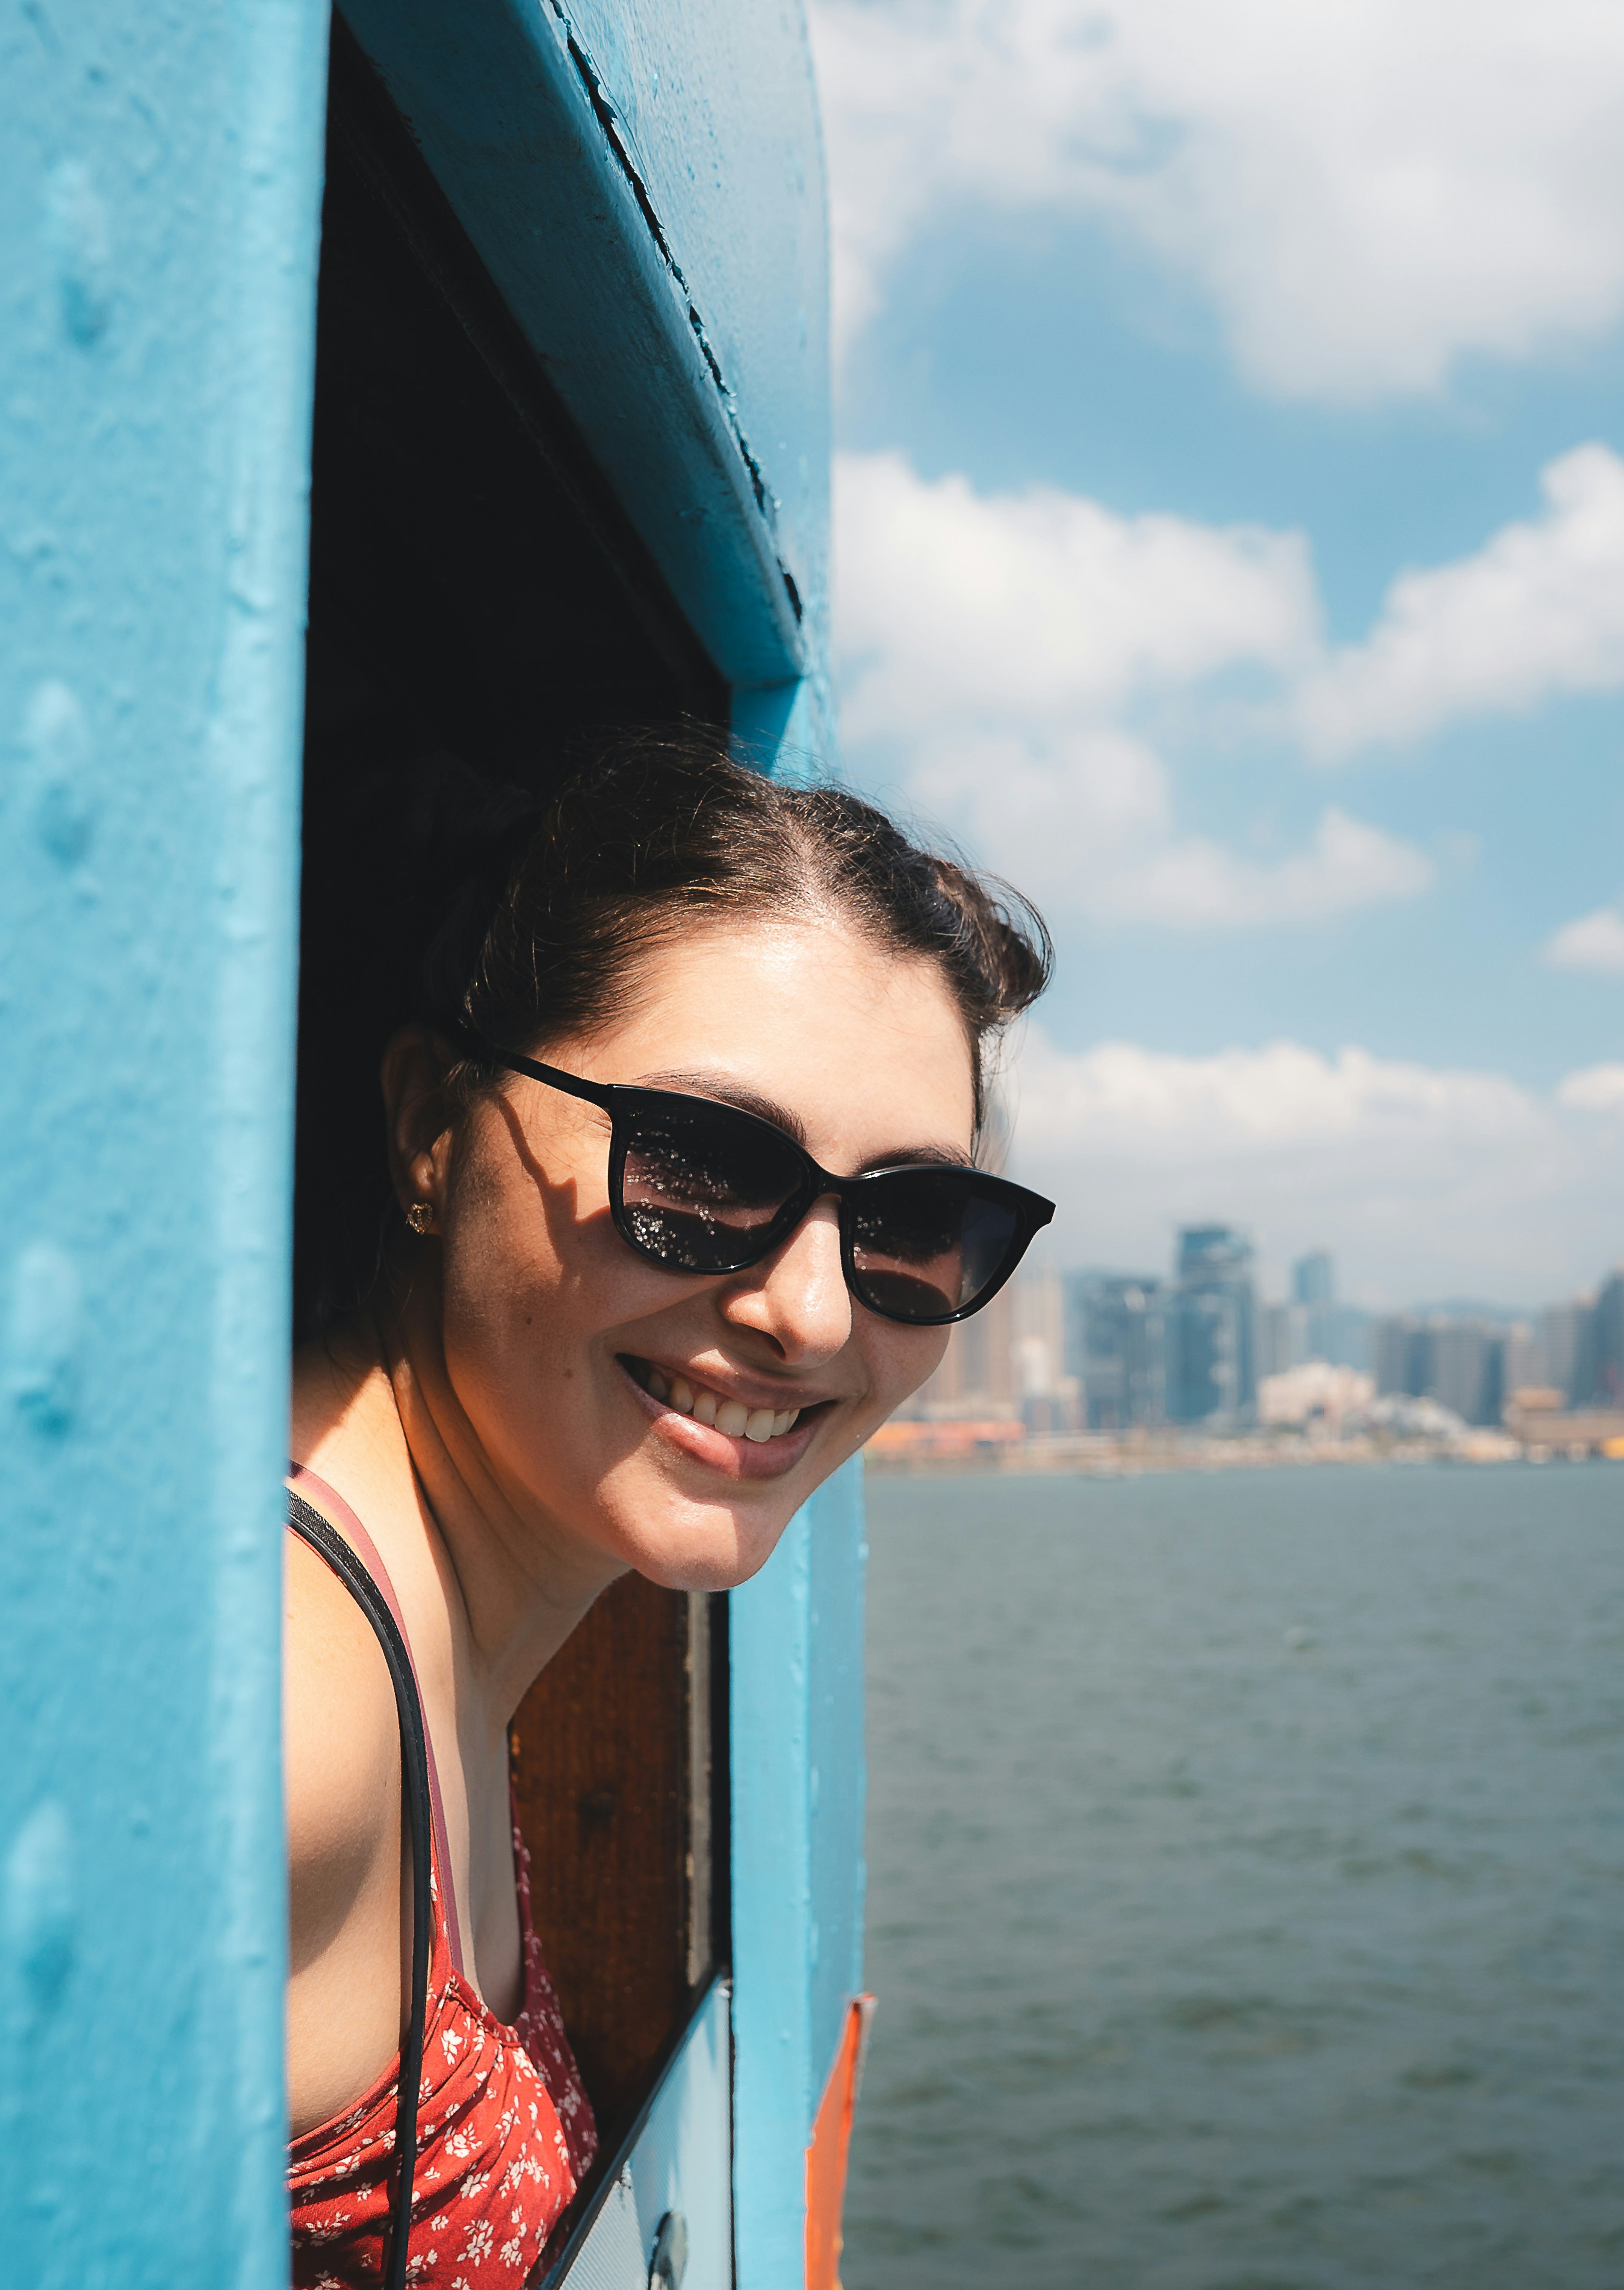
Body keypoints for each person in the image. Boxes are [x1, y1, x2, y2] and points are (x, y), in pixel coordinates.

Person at [282, 730, 1052, 2288]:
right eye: (700, 1165)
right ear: (434, 1123)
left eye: (913, 1220)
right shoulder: (293, 1694)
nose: (815, 1315)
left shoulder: (431, 1612)